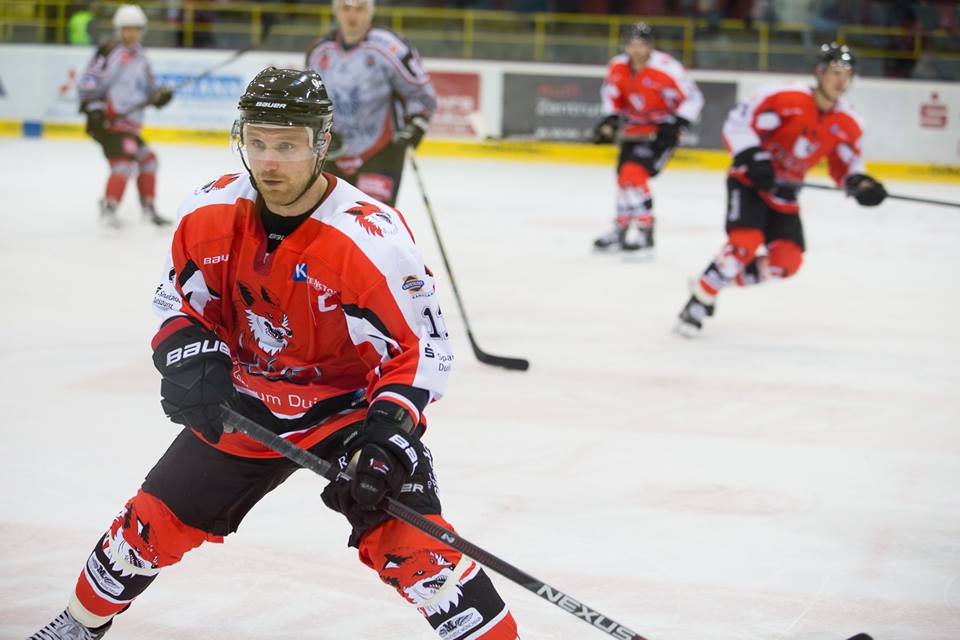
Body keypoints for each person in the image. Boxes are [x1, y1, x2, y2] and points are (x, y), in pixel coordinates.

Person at [29, 67, 519, 640]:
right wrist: (190, 359)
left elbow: (419, 348)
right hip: (247, 406)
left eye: (287, 146)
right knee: (144, 531)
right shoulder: (209, 211)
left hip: (347, 414)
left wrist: (386, 438)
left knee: (420, 556)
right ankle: (74, 627)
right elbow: (178, 302)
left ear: (322, 144)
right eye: (257, 142)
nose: (268, 162)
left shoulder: (372, 238)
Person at [675, 43, 887, 336]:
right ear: (820, 73)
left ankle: (709, 282)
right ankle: (698, 303)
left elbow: (847, 165)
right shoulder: (784, 96)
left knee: (787, 261)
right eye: (836, 72)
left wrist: (861, 185)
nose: (841, 81)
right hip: (749, 182)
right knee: (744, 243)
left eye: (847, 74)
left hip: (785, 194)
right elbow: (738, 122)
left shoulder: (849, 122)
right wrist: (753, 156)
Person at [305, 0, 436, 207]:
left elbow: (420, 92)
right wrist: (320, 128)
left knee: (372, 217)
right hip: (333, 152)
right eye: (346, 8)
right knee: (331, 218)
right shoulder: (320, 51)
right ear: (336, 12)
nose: (352, 15)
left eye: (360, 8)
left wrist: (416, 124)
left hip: (381, 151)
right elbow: (310, 100)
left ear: (370, 12)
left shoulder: (390, 47)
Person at [592, 22, 704, 253]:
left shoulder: (667, 68)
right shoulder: (618, 66)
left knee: (633, 175)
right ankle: (621, 228)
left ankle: (645, 230)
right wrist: (610, 121)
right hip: (634, 130)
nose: (636, 50)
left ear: (650, 45)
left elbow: (694, 98)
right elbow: (611, 95)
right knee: (623, 179)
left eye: (641, 44)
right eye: (631, 44)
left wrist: (676, 123)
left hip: (661, 131)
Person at [77, 3, 173, 228]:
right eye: (127, 28)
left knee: (149, 161)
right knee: (122, 164)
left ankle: (148, 209)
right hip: (111, 122)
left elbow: (148, 89)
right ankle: (109, 209)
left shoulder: (141, 57)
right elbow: (88, 84)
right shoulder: (108, 52)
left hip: (131, 124)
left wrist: (159, 96)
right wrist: (94, 110)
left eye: (136, 29)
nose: (132, 33)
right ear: (119, 29)